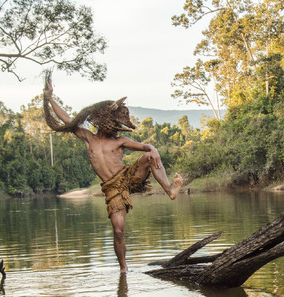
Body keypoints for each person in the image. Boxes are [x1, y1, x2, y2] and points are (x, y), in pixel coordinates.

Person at [43, 74, 183, 273]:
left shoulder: (120, 141)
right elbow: (67, 119)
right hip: (112, 189)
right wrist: (49, 98)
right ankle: (124, 270)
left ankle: (170, 190)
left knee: (151, 154)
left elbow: (146, 147)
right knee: (118, 231)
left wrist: (153, 149)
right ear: (102, 122)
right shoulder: (88, 138)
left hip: (129, 177)